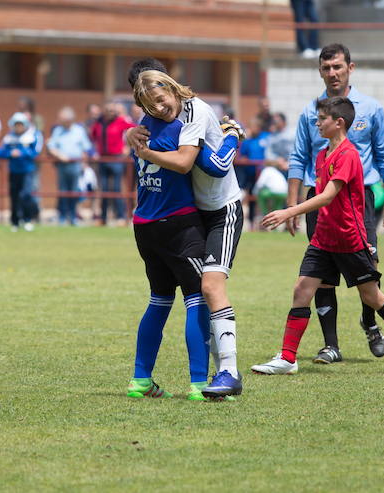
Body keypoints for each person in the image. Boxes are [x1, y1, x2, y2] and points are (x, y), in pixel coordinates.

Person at [257, 96, 384, 377]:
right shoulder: (322, 154)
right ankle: (288, 358)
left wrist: (289, 212)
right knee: (302, 290)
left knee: (372, 297)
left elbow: (328, 196)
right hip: (323, 239)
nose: (317, 123)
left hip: (349, 239)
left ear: (338, 123)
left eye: (322, 119)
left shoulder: (349, 154)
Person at [255, 44, 384, 373]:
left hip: (357, 199)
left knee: (369, 272)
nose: (332, 73)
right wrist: (292, 203)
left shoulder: (371, 109)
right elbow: (298, 157)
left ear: (351, 67)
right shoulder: (312, 111)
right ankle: (330, 345)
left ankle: (370, 322)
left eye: (337, 67)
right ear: (320, 71)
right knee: (319, 277)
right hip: (317, 199)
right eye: (326, 68)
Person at [128, 71, 242, 401]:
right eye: (150, 104)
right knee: (196, 296)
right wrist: (234, 133)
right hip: (179, 221)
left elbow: (211, 167)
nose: (158, 107)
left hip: (162, 220)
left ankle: (143, 379)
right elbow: (188, 163)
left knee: (170, 297)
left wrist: (134, 142)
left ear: (173, 89)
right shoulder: (167, 126)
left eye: (161, 99)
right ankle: (198, 384)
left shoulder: (172, 119)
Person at [0, 112, 43, 232]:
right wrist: (8, 153)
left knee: (26, 195)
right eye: (16, 124)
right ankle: (15, 221)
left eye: (20, 124)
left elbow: (36, 152)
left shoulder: (31, 136)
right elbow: (3, 152)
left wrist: (22, 153)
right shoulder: (9, 137)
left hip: (27, 171)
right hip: (14, 171)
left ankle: (27, 220)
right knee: (14, 196)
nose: (18, 127)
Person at [90, 101, 134, 226]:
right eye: (108, 110)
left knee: (116, 188)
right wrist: (94, 151)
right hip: (103, 159)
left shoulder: (120, 121)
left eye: (112, 110)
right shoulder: (99, 123)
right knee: (103, 189)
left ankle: (120, 217)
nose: (110, 113)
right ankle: (103, 218)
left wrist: (128, 147)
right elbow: (92, 137)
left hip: (116, 159)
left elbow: (134, 128)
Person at [48, 106, 92, 226]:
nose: (61, 121)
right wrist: (60, 155)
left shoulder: (79, 130)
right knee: (62, 191)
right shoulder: (57, 130)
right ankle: (62, 217)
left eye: (63, 119)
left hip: (76, 165)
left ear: (70, 119)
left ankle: (73, 217)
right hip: (62, 165)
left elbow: (86, 148)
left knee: (74, 192)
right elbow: (51, 147)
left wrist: (84, 163)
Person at [238, 116, 269, 228]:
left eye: (253, 126)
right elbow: (242, 155)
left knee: (264, 197)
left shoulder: (266, 137)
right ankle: (252, 222)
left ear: (259, 127)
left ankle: (266, 221)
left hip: (264, 174)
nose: (251, 129)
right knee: (251, 198)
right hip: (251, 174)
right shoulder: (247, 141)